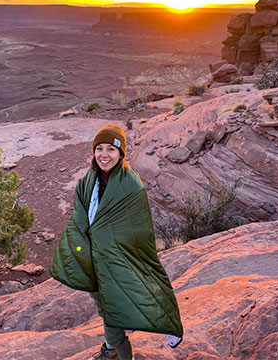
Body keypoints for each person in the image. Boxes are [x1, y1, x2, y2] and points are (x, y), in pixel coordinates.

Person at [49, 124, 183, 360]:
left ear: (121, 154)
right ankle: (113, 347)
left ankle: (115, 352)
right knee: (107, 307)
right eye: (99, 148)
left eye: (111, 149)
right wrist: (80, 246)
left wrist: (106, 243)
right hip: (95, 258)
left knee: (117, 308)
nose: (104, 154)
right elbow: (80, 217)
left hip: (118, 258)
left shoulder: (130, 185)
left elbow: (137, 230)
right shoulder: (88, 180)